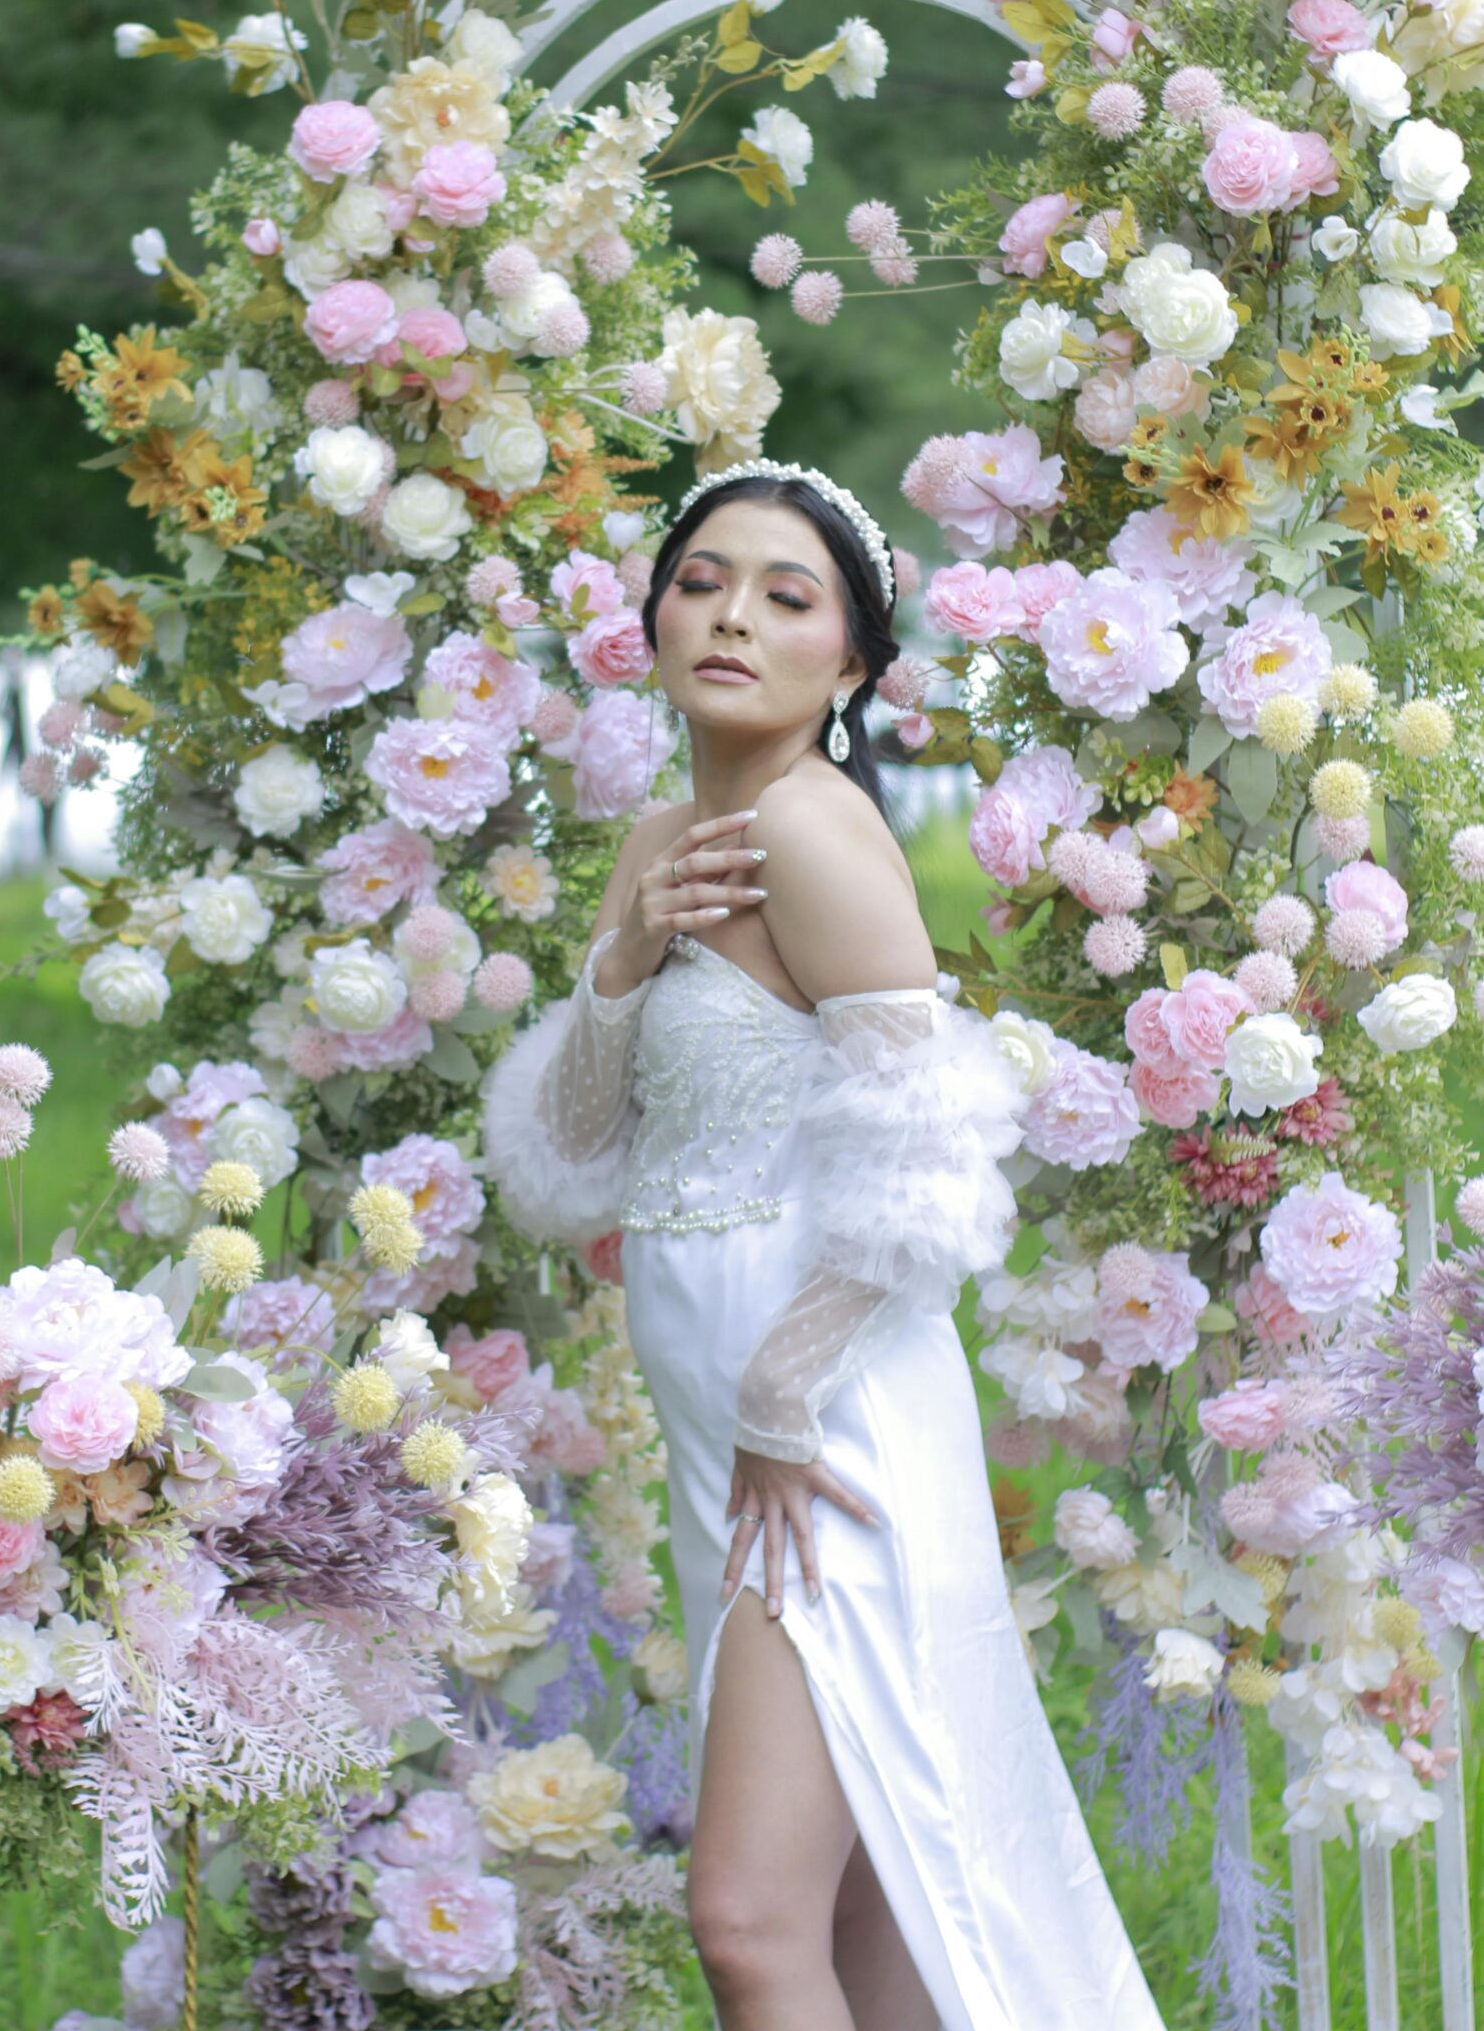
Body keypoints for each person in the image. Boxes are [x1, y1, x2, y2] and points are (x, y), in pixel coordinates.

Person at [481, 462, 1165, 2031]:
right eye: (701, 581)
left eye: (786, 598)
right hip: (723, 1440)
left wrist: (786, 1401)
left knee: (746, 1919)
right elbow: (572, 1159)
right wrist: (624, 953)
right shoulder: (664, 837)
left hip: (824, 1425)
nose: (731, 617)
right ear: (656, 616)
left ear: (851, 662)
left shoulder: (814, 831)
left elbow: (931, 1168)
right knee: (877, 1905)